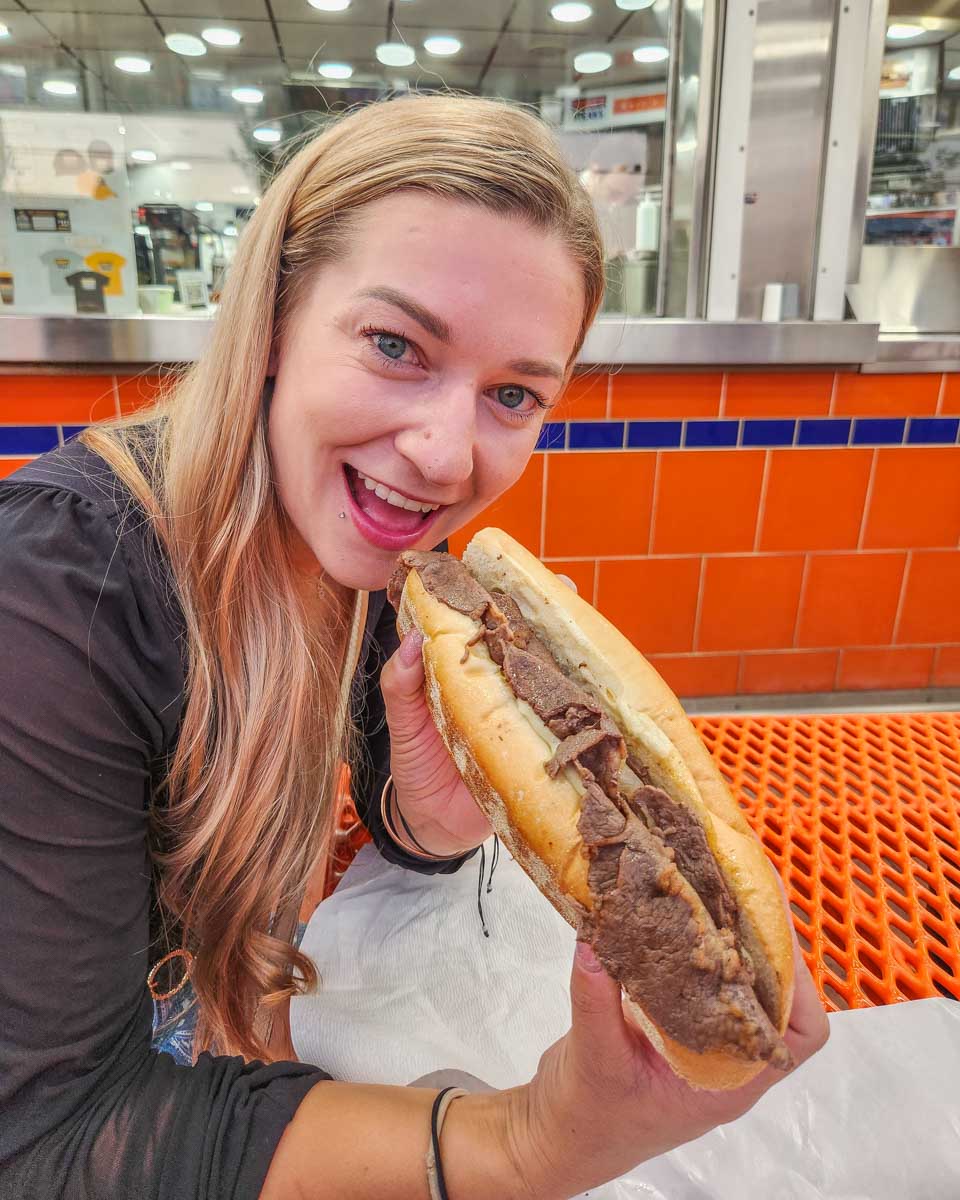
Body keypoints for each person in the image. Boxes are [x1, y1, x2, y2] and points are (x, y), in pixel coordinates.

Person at [0, 95, 828, 1200]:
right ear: (274, 320)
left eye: (514, 395)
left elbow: (383, 811)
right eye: (396, 345)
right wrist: (530, 1141)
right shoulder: (56, 593)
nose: (445, 453)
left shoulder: (370, 553)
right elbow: (49, 1141)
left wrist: (427, 822)